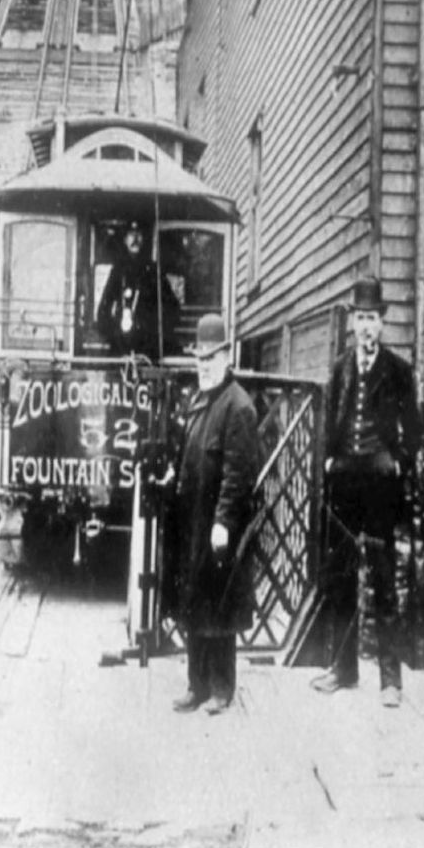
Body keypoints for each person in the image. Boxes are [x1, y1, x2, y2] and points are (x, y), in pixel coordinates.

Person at [312, 276, 420, 708]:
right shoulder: (340, 368)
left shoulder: (398, 371)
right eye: (360, 318)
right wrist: (327, 461)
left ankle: (390, 680)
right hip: (344, 482)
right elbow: (329, 423)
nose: (366, 327)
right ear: (352, 322)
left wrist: (398, 463)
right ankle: (344, 669)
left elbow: (413, 430)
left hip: (379, 486)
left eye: (372, 318)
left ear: (383, 322)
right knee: (339, 578)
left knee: (382, 579)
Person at [170, 314, 259, 715]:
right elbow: (190, 452)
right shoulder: (199, 400)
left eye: (211, 356)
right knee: (194, 602)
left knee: (220, 603)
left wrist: (224, 520)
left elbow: (238, 474)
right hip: (193, 520)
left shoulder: (238, 406)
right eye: (199, 358)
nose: (203, 364)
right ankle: (196, 683)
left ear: (227, 355)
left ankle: (222, 687)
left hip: (220, 523)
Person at [96, 220, 180, 359]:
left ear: (144, 239)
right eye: (130, 234)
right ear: (124, 240)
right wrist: (114, 335)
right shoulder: (118, 271)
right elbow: (103, 311)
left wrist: (157, 335)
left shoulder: (153, 271)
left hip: (148, 351)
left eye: (139, 234)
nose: (135, 239)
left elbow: (173, 309)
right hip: (121, 349)